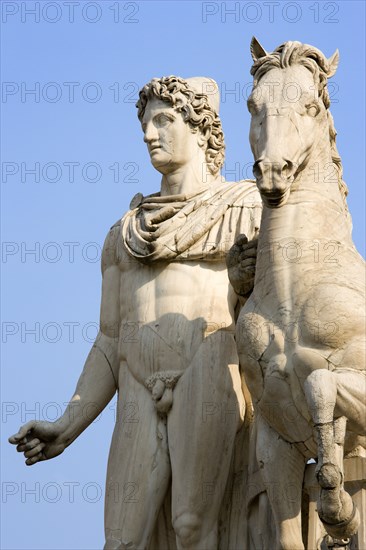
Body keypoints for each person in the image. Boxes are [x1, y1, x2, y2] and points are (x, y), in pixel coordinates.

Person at [9, 76, 261, 550]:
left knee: (193, 526)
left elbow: (269, 313)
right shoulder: (125, 234)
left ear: (202, 128)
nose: (150, 133)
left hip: (207, 369)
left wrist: (247, 285)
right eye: (146, 123)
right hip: (136, 385)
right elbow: (109, 339)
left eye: (164, 120)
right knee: (122, 540)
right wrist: (68, 424)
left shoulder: (243, 209)